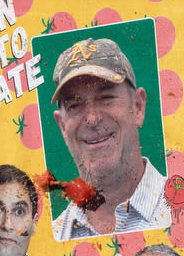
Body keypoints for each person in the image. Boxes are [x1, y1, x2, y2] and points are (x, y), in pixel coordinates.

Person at [50, 37, 171, 241]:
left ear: (138, 107)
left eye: (106, 98)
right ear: (62, 126)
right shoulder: (51, 240)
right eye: (74, 105)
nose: (92, 119)